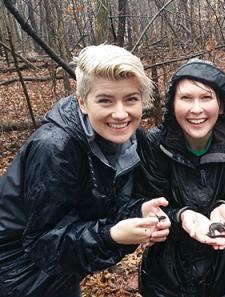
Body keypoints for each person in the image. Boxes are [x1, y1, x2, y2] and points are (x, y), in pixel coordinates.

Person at [0, 44, 170, 297]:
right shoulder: (55, 147)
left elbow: (101, 203)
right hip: (17, 276)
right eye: (105, 100)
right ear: (82, 102)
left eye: (131, 99)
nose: (121, 114)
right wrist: (109, 236)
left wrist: (139, 211)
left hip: (61, 272)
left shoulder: (132, 140)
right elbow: (44, 243)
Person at [136, 59, 225, 297]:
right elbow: (148, 204)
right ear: (173, 104)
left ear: (221, 104)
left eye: (206, 98)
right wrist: (182, 216)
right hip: (166, 277)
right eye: (186, 98)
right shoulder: (155, 144)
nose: (196, 109)